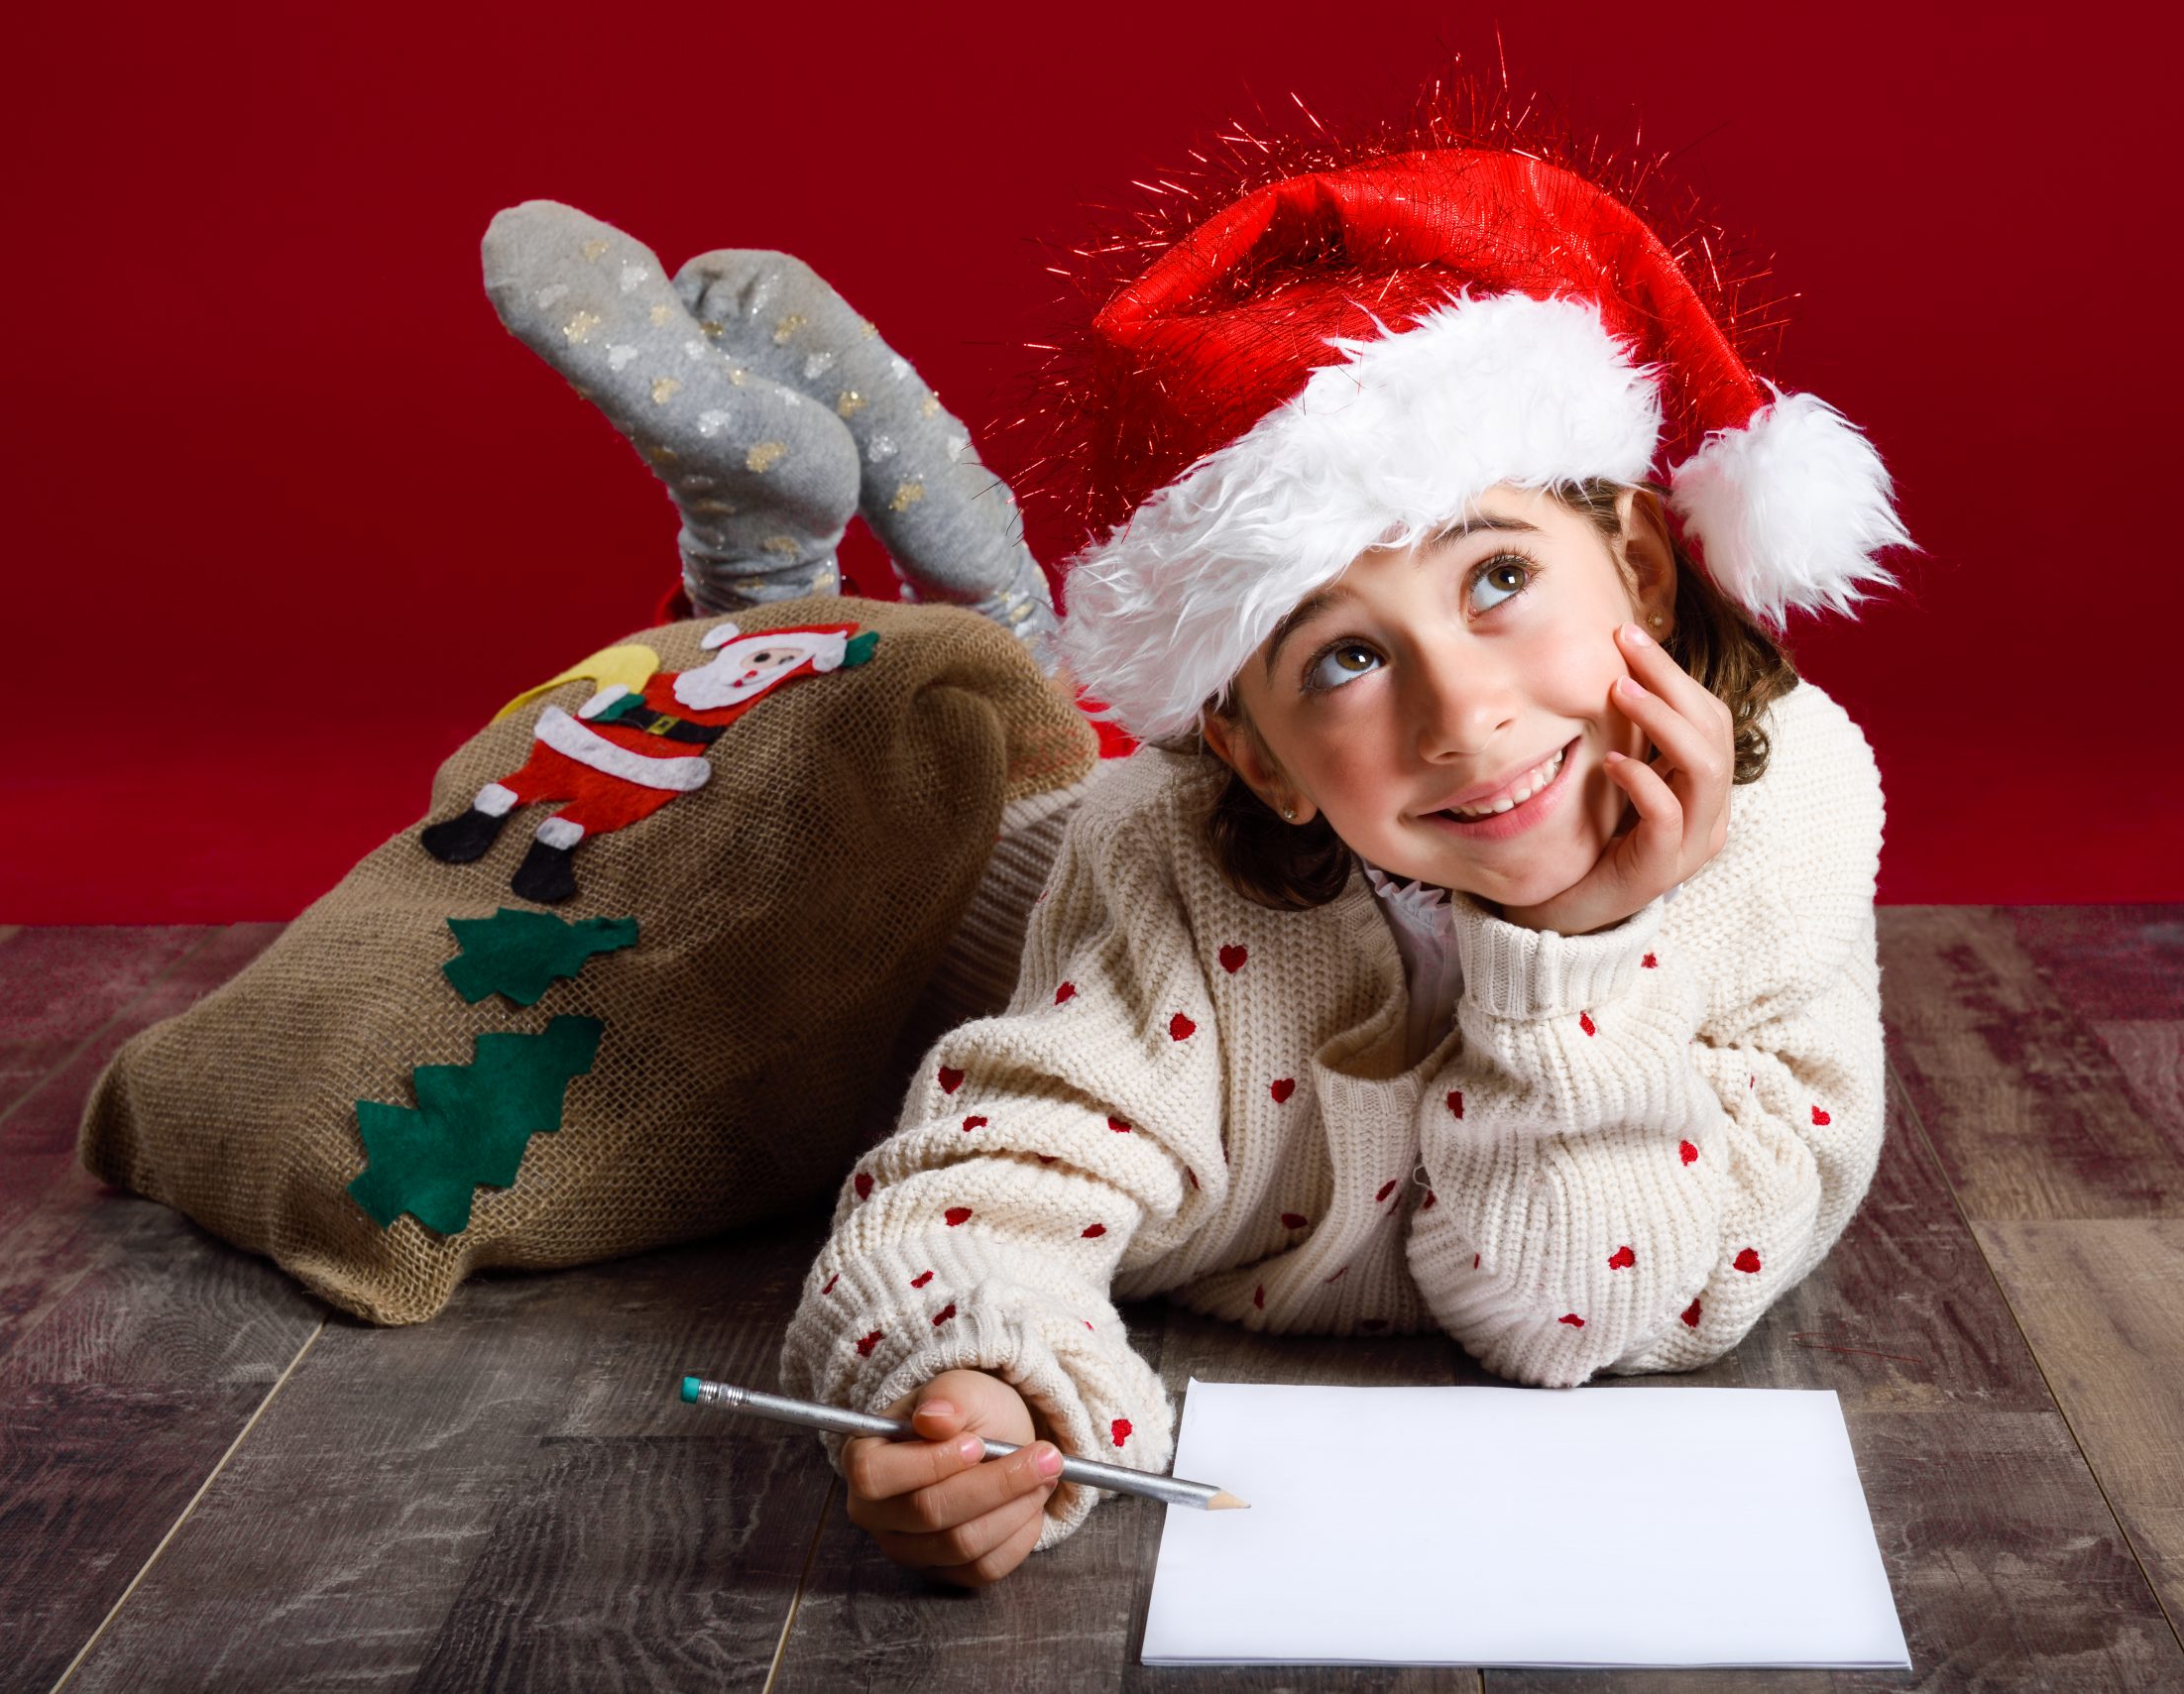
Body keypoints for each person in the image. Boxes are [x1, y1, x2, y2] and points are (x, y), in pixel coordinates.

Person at [779, 135, 1913, 1588]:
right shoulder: (1165, 859)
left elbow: (1583, 1311)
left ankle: (939, 569)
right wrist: (974, 1383)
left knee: (998, 670)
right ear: (1254, 753)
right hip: (935, 880)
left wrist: (1567, 946)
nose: (1465, 719)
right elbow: (980, 1184)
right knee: (834, 783)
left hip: (1092, 788)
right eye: (1349, 657)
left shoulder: (1794, 804)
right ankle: (784, 581)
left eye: (1499, 576)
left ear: (1635, 564)